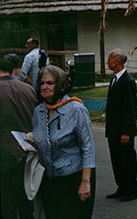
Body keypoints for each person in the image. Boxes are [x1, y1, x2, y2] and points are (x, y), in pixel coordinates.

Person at [32, 65, 96, 219]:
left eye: (50, 83)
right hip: (49, 181)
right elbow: (41, 139)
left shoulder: (76, 109)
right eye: (42, 83)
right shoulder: (39, 111)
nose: (45, 87)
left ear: (60, 85)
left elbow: (88, 147)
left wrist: (85, 182)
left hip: (73, 180)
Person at [0, 53, 37, 219]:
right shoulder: (28, 89)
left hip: (4, 155)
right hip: (27, 153)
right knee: (26, 201)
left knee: (7, 204)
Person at [105, 49, 137, 202]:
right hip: (113, 129)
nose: (108, 62)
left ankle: (131, 189)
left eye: (110, 59)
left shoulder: (127, 81)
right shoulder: (114, 80)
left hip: (123, 130)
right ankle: (121, 186)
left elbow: (130, 109)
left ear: (117, 61)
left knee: (127, 159)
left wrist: (127, 132)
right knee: (116, 159)